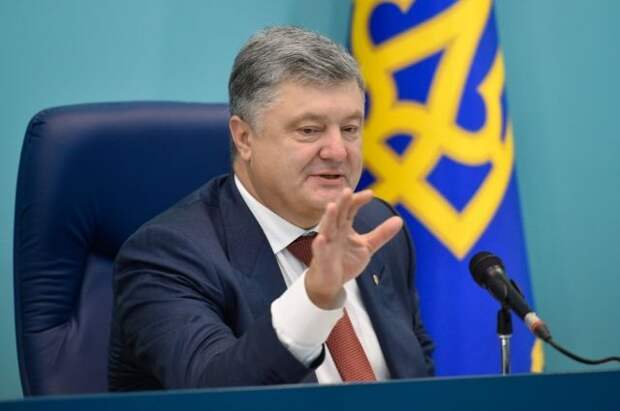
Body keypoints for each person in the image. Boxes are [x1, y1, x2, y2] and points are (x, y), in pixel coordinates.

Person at [108, 26, 434, 391]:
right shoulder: (167, 257)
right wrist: (314, 299)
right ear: (244, 138)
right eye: (309, 130)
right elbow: (213, 392)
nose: (338, 151)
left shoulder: (377, 227)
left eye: (350, 128)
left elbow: (418, 378)